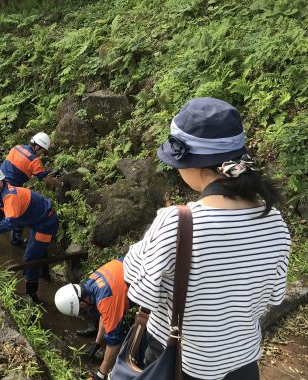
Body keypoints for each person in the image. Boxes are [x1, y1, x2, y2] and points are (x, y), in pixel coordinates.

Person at [123, 98, 290, 380]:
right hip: (242, 362)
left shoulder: (177, 221)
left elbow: (140, 292)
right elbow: (274, 296)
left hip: (181, 363)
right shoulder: (274, 221)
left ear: (194, 164)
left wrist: (141, 249)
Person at [0, 166, 59, 303]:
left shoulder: (10, 196)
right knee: (38, 249)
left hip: (46, 223)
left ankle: (32, 295)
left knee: (29, 259)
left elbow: (9, 223)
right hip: (36, 220)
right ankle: (46, 276)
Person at [0, 132, 61, 251]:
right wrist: (59, 183)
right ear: (37, 147)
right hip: (10, 192)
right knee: (17, 215)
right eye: (42, 151)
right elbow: (43, 178)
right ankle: (15, 241)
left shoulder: (16, 148)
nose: (42, 154)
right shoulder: (34, 160)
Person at [54, 258, 129, 380]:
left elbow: (115, 341)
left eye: (82, 310)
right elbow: (103, 314)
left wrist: (101, 373)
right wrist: (97, 343)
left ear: (81, 303)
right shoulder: (92, 280)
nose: (84, 312)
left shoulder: (106, 299)